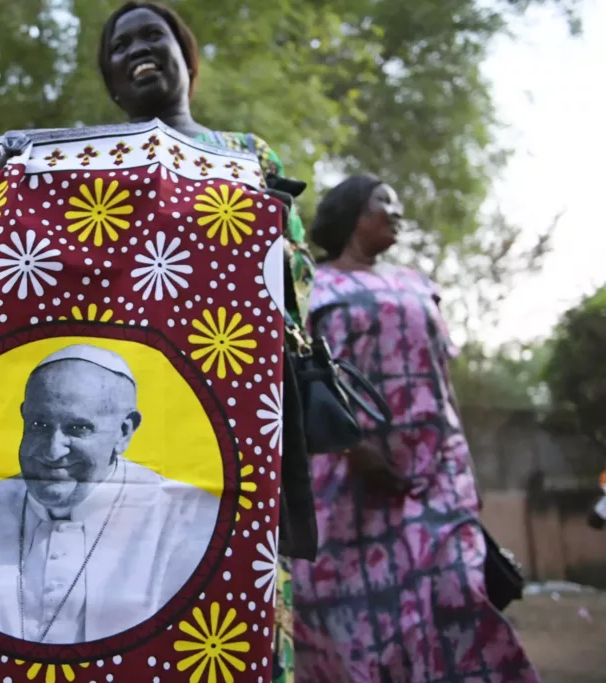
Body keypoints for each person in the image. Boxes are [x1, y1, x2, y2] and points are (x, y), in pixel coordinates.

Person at [97, 3, 313, 678]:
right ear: (110, 81)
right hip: (137, 409)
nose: (138, 48)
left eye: (152, 36)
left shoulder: (248, 155)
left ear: (186, 58)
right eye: (121, 43)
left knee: (242, 594)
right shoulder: (87, 162)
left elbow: (297, 273)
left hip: (243, 410)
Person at [290, 175, 540, 682]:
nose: (397, 211)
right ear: (351, 215)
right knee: (350, 611)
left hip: (434, 473)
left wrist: (457, 462)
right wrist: (355, 449)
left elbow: (441, 380)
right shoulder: (314, 287)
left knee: (455, 586)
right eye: (385, 202)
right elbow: (303, 377)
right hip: (346, 484)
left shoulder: (418, 285)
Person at [0, 344, 219, 644]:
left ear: (124, 432)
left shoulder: (189, 523)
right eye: (38, 425)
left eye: (78, 428)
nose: (52, 450)